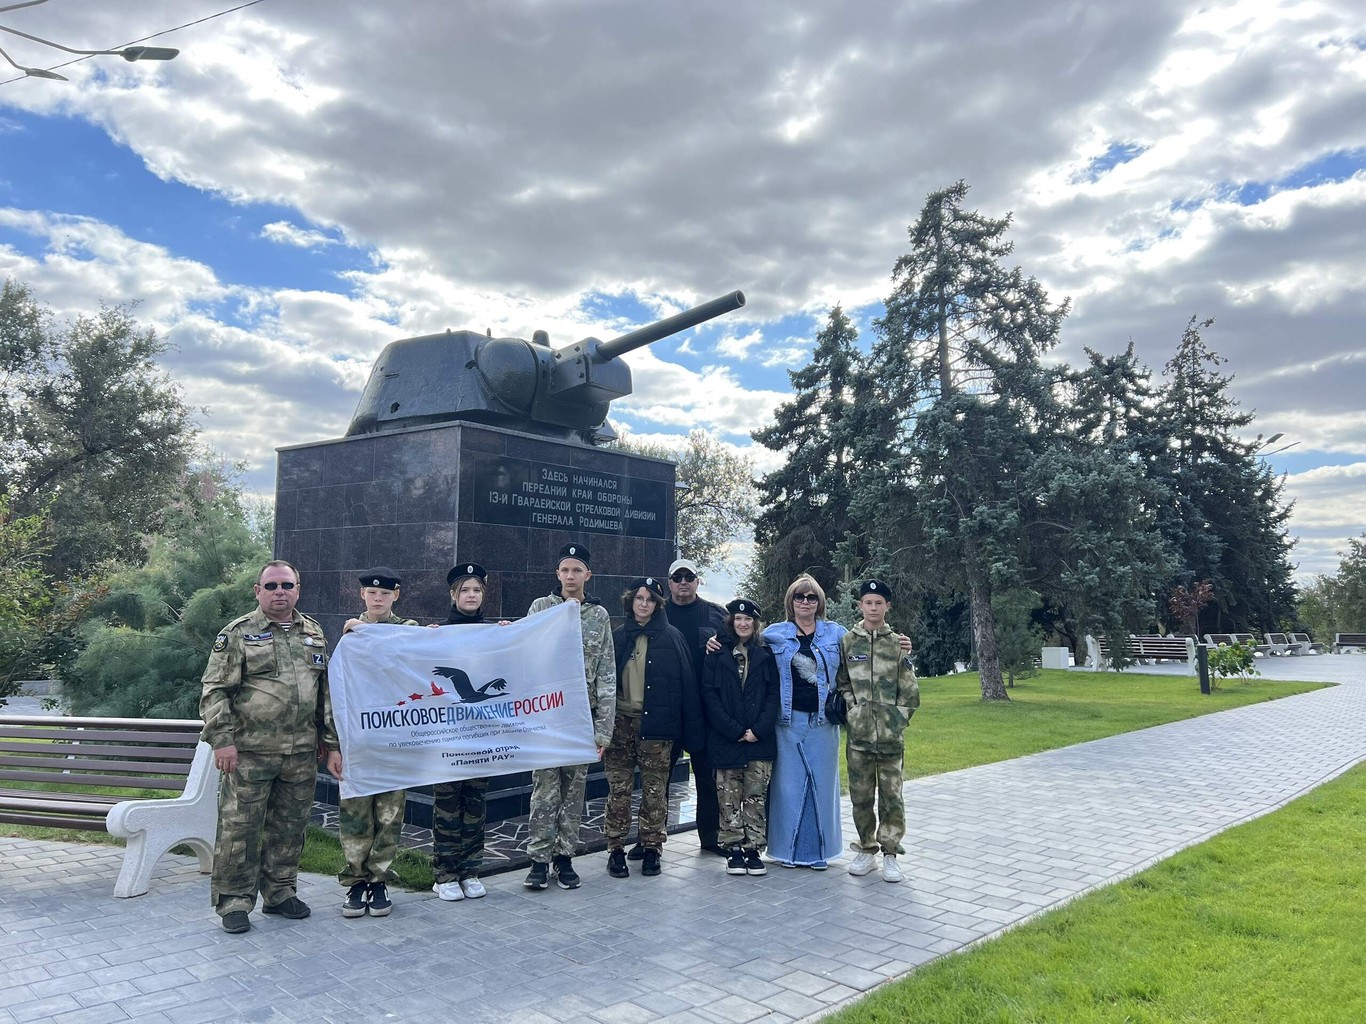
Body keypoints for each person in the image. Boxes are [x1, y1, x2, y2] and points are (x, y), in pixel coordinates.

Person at [200, 560, 329, 934]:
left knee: (289, 827)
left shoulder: (314, 633)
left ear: (298, 590)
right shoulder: (238, 633)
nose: (279, 592)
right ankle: (234, 901)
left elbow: (325, 693)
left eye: (287, 585)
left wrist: (328, 739)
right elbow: (215, 691)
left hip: (301, 751)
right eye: (271, 586)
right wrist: (223, 741)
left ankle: (280, 892)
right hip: (250, 752)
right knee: (239, 829)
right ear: (257, 591)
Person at [325, 568, 420, 918]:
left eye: (385, 593)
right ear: (362, 595)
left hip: (394, 739)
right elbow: (334, 692)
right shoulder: (349, 638)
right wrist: (333, 745)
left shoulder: (407, 629)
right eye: (371, 593)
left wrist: (366, 629)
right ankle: (356, 881)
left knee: (390, 815)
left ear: (396, 595)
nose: (377, 598)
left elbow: (419, 646)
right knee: (355, 814)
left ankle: (378, 880)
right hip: (358, 741)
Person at [522, 542, 616, 891]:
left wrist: (603, 731)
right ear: (557, 574)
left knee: (574, 792)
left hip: (581, 718)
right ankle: (538, 859)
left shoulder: (598, 616)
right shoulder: (540, 608)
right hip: (546, 714)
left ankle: (564, 857)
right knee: (544, 790)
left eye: (577, 570)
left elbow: (606, 672)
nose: (571, 576)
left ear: (588, 575)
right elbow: (522, 652)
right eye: (565, 570)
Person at [605, 577, 703, 879]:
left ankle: (651, 847)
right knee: (619, 791)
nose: (644, 604)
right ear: (630, 601)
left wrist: (689, 732)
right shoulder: (618, 636)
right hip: (620, 725)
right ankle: (616, 848)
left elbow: (687, 687)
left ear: (658, 605)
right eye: (639, 598)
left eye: (649, 600)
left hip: (658, 728)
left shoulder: (672, 638)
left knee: (654, 791)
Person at [429, 561, 508, 903]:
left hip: (482, 735)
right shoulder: (438, 633)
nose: (471, 595)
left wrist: (511, 637)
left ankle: (471, 870)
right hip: (448, 735)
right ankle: (445, 874)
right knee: (448, 804)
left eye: (477, 590)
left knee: (475, 803)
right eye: (465, 590)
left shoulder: (495, 634)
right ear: (453, 595)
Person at [835, 579, 919, 883]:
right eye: (868, 603)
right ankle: (866, 849)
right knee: (860, 796)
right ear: (860, 605)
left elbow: (910, 691)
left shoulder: (897, 643)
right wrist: (853, 710)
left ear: (887, 606)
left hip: (890, 737)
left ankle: (891, 853)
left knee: (891, 797)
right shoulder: (848, 642)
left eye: (878, 603)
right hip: (859, 738)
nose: (873, 608)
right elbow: (842, 682)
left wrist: (896, 720)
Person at [762, 574, 845, 869]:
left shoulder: (836, 633)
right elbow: (741, 639)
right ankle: (787, 852)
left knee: (822, 787)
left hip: (824, 723)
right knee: (788, 787)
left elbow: (866, 648)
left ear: (819, 602)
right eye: (800, 597)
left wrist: (899, 645)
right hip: (788, 722)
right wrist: (716, 641)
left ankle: (819, 853)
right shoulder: (774, 634)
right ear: (791, 601)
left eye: (811, 597)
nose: (805, 602)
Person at [700, 598, 779, 877]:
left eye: (748, 620)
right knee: (728, 798)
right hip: (726, 740)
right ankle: (733, 849)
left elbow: (773, 695)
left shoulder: (766, 654)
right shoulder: (716, 653)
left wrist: (758, 730)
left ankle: (753, 850)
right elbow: (709, 695)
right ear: (731, 622)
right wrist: (733, 730)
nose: (743, 624)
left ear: (755, 624)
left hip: (759, 741)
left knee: (755, 798)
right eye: (738, 619)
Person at [662, 556, 728, 857]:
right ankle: (651, 841)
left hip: (704, 709)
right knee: (658, 777)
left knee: (707, 776)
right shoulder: (657, 613)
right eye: (678, 578)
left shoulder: (717, 614)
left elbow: (737, 647)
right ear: (669, 583)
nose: (683, 582)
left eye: (689, 577)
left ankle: (710, 838)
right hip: (668, 709)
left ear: (698, 581)